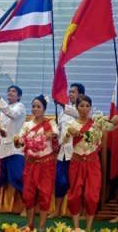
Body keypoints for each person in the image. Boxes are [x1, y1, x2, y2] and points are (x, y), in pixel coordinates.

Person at [64, 94, 118, 231]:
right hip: (76, 162)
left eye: (87, 106)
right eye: (81, 106)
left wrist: (114, 120)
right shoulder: (71, 123)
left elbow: (112, 124)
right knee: (75, 195)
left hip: (93, 163)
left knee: (92, 197)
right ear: (76, 108)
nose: (84, 108)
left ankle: (88, 228)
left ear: (91, 108)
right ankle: (76, 227)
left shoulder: (97, 123)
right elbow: (64, 138)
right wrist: (71, 132)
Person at [13, 95, 58, 231]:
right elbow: (19, 140)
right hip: (30, 164)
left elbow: (55, 134)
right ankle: (30, 224)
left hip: (46, 164)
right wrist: (18, 140)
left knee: (45, 195)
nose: (35, 109)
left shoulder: (51, 123)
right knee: (28, 195)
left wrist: (47, 135)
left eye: (39, 106)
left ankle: (42, 226)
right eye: (33, 106)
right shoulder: (27, 125)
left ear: (44, 108)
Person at [51, 83, 84, 218]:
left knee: (77, 183)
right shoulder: (63, 111)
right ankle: (57, 211)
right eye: (69, 92)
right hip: (62, 153)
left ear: (80, 95)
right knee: (60, 182)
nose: (70, 94)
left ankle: (78, 212)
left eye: (73, 92)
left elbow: (76, 113)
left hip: (76, 154)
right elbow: (59, 130)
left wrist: (62, 104)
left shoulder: (83, 110)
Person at [0, 85, 26, 211]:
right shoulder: (3, 111)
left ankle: (26, 208)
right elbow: (0, 125)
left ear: (19, 96)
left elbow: (13, 115)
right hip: (2, 150)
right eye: (9, 91)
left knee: (17, 177)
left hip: (15, 149)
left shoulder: (20, 107)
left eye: (14, 91)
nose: (10, 93)